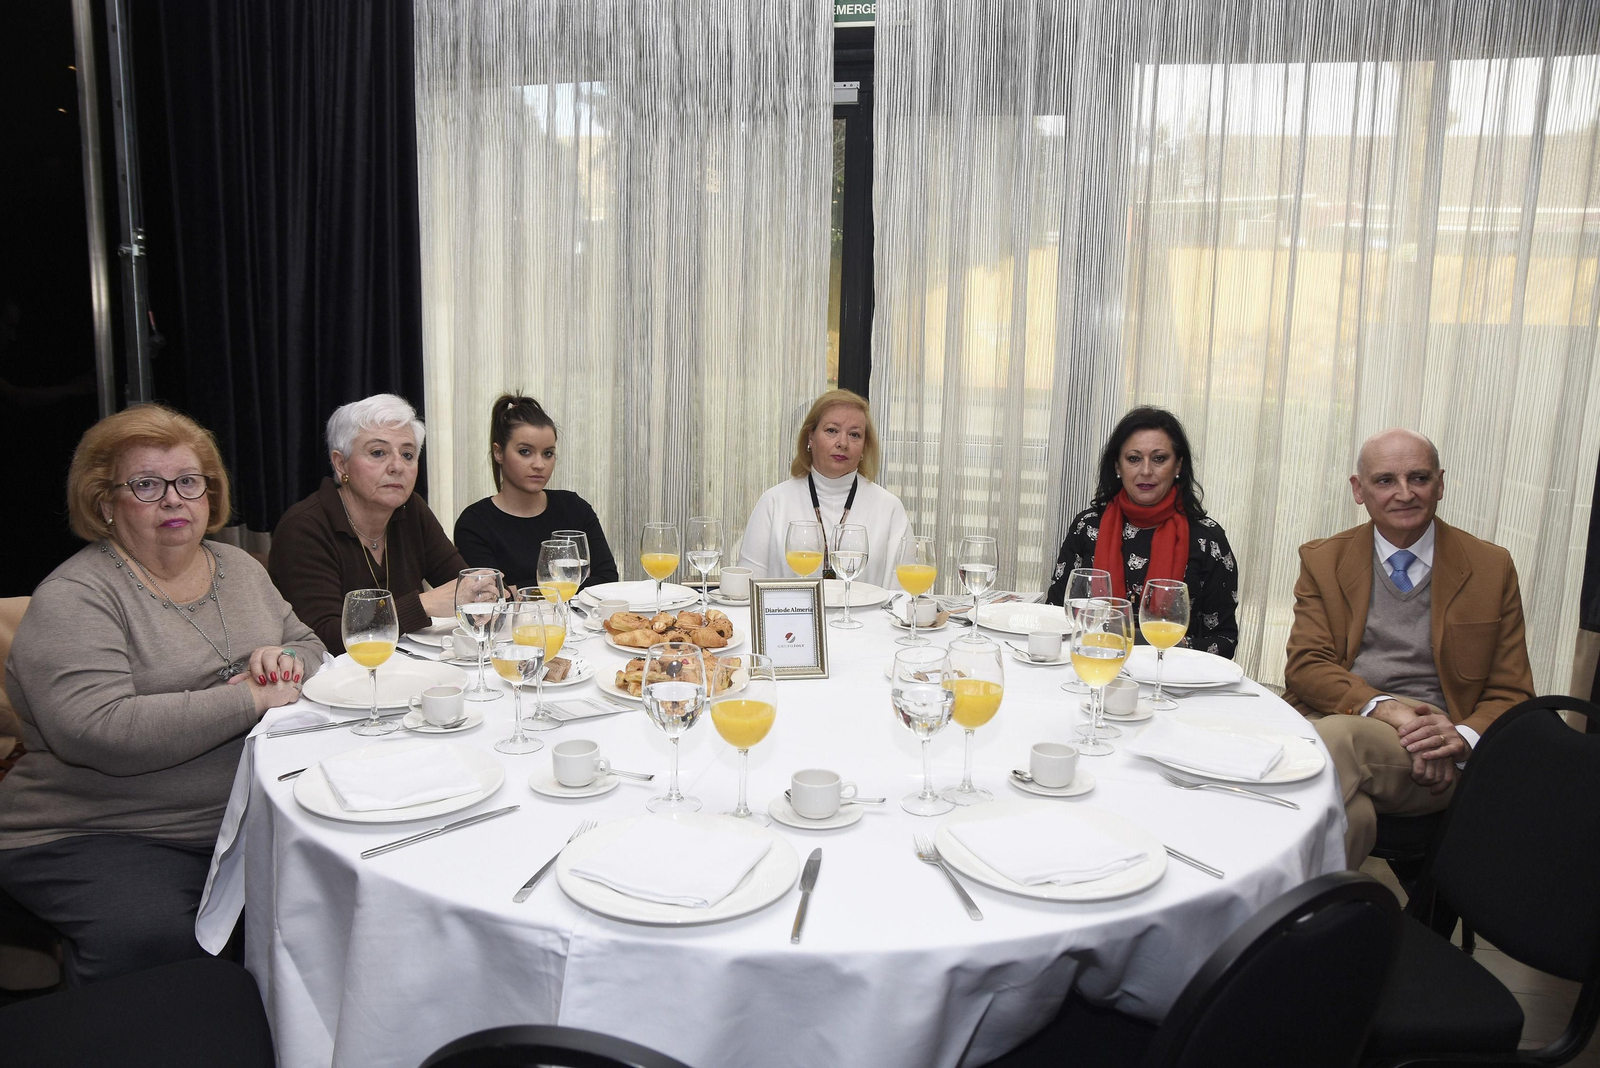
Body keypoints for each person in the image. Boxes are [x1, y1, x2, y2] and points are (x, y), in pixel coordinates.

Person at [0, 404, 324, 985]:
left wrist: (286, 663)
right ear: (105, 503)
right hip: (101, 829)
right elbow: (98, 730)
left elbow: (310, 646)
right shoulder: (77, 596)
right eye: (146, 485)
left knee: (327, 912)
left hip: (241, 815)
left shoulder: (240, 568)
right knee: (164, 948)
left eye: (189, 482)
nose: (173, 499)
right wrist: (250, 698)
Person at [1283, 428, 1534, 868]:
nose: (1404, 493)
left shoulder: (1491, 568)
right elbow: (1307, 666)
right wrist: (1387, 708)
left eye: (1418, 478)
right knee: (1353, 817)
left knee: (1333, 740)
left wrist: (1455, 739)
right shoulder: (1324, 560)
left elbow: (1512, 693)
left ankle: (1245, 903)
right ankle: (1367, 910)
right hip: (1351, 715)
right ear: (1358, 490)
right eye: (1385, 481)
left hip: (1433, 759)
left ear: (1440, 483)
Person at [270, 394, 464, 653]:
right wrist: (422, 605)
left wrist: (486, 589)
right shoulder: (303, 528)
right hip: (334, 684)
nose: (397, 466)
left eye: (407, 454)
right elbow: (323, 638)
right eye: (378, 453)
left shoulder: (411, 509)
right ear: (341, 464)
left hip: (409, 669)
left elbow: (461, 581)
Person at [1047, 406, 1238, 658]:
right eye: (1134, 459)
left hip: (1171, 679)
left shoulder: (1206, 539)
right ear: (1118, 466)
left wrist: (1165, 649)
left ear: (1178, 465)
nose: (1146, 471)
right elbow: (1055, 613)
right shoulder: (1088, 526)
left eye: (1159, 458)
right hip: (1094, 664)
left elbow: (1224, 640)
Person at [739, 389, 910, 589]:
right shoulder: (774, 501)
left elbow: (903, 598)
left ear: (864, 446)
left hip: (868, 621)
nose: (843, 443)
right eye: (832, 430)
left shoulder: (889, 508)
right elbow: (746, 590)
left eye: (854, 434)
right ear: (810, 438)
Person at [453, 394, 619, 591]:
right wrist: (574, 583)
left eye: (548, 454)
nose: (539, 465)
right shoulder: (474, 523)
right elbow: (493, 597)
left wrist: (518, 589)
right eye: (525, 452)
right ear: (498, 453)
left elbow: (608, 580)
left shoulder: (574, 507)